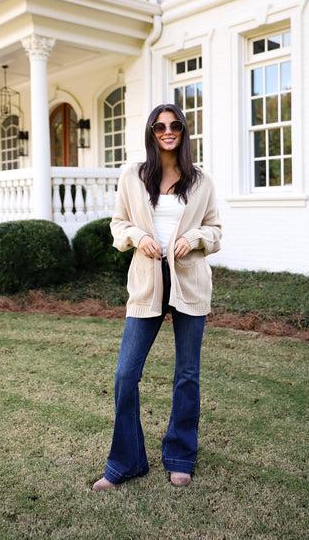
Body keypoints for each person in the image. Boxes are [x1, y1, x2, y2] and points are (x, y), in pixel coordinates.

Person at [92, 103, 222, 491]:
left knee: (187, 375)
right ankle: (126, 461)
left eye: (175, 126)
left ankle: (180, 456)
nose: (168, 131)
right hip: (147, 282)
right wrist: (139, 236)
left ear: (183, 131)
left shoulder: (201, 181)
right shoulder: (132, 177)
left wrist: (193, 238)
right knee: (125, 375)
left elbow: (215, 231)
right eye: (160, 126)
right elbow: (118, 226)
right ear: (151, 132)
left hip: (189, 282)